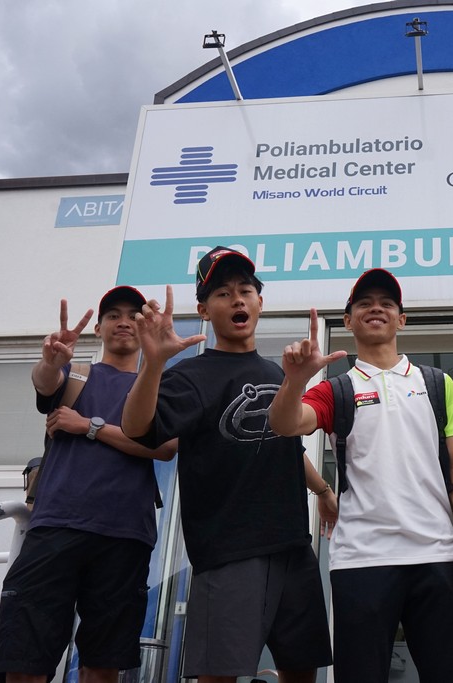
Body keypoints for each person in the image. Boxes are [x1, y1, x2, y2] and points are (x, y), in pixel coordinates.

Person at [120, 247, 333, 683]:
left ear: (260, 302)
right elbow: (137, 428)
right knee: (219, 675)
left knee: (301, 671)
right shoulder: (191, 376)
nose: (237, 299)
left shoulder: (278, 374)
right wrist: (155, 364)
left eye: (245, 290)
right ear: (204, 309)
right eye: (222, 293)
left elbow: (285, 447)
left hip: (293, 546)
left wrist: (323, 491)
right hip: (229, 550)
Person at [268, 268, 453, 683]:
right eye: (364, 303)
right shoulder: (336, 389)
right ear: (348, 321)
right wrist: (295, 382)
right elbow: (286, 424)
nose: (376, 309)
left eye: (386, 303)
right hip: (362, 559)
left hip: (437, 555)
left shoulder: (437, 383)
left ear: (402, 319)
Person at [0, 287, 177, 683]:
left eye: (133, 316)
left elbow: (164, 447)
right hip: (56, 525)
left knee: (104, 663)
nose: (123, 322)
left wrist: (89, 426)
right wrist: (49, 361)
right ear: (98, 328)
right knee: (24, 657)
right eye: (113, 315)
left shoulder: (157, 384)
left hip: (125, 533)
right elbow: (45, 383)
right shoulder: (75, 374)